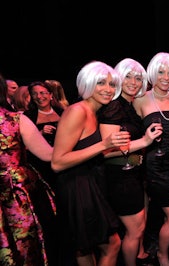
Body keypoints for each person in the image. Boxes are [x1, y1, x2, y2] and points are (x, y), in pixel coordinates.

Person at [51, 60, 131, 265]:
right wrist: (104, 145)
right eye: (101, 83)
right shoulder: (77, 111)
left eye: (112, 84)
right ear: (87, 83)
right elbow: (57, 162)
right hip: (75, 184)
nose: (108, 89)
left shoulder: (93, 111)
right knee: (111, 244)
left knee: (85, 247)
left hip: (88, 181)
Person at [98, 58, 161, 266]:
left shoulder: (128, 105)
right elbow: (107, 151)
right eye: (128, 76)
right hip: (120, 178)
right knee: (135, 230)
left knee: (136, 229)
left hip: (132, 174)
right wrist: (144, 141)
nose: (134, 82)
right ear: (119, 77)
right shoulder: (115, 106)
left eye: (138, 78)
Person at [0, 73, 57, 265]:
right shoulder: (15, 120)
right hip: (15, 195)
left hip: (15, 193)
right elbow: (48, 155)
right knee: (25, 249)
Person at [133, 52, 169, 266]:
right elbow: (135, 134)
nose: (166, 77)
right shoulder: (140, 99)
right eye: (161, 72)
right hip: (156, 167)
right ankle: (162, 254)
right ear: (152, 73)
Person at [24, 81, 64, 189]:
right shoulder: (27, 116)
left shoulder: (61, 112)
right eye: (34, 94)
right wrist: (40, 133)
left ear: (51, 95)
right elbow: (23, 143)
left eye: (43, 93)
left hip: (61, 159)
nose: (39, 96)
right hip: (40, 163)